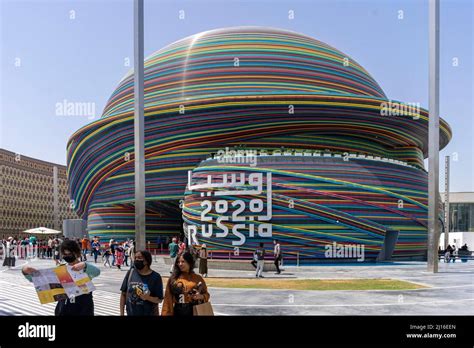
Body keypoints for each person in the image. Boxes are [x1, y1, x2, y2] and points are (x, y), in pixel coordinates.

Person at [21, 239, 100, 316]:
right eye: (64, 254)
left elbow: (97, 272)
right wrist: (26, 272)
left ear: (76, 253)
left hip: (83, 309)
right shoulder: (61, 268)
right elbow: (40, 280)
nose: (66, 256)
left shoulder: (84, 267)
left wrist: (85, 265)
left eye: (69, 254)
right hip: (64, 308)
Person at [162, 251, 210, 316]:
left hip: (194, 311)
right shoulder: (173, 279)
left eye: (183, 261)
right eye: (178, 262)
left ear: (189, 262)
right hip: (178, 311)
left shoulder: (198, 278)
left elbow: (207, 295)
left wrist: (200, 296)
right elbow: (168, 299)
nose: (180, 264)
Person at [120, 250, 163, 316]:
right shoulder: (131, 273)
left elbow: (159, 299)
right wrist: (121, 313)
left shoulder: (156, 277)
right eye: (135, 258)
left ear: (146, 261)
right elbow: (123, 294)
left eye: (139, 257)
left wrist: (148, 297)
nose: (136, 260)